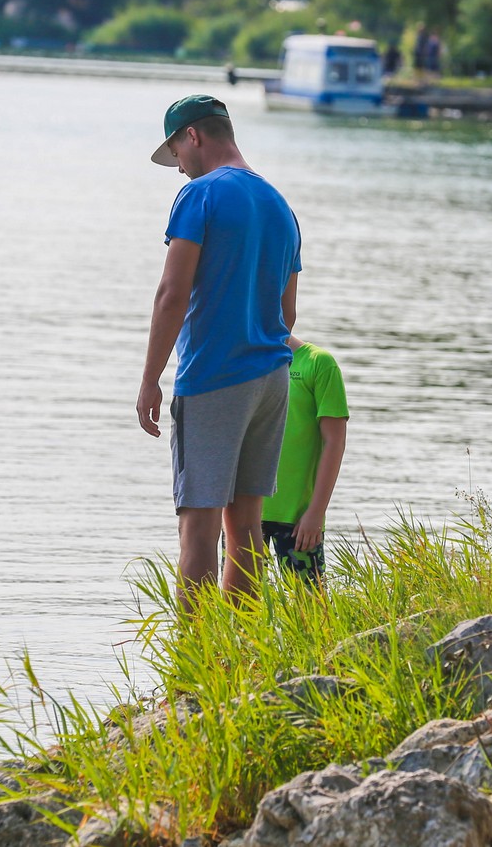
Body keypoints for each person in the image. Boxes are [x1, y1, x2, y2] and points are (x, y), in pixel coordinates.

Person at [138, 95, 301, 609]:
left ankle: (193, 665)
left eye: (177, 154)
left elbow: (172, 293)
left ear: (193, 137)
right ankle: (237, 654)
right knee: (246, 522)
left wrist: (150, 378)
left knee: (199, 526)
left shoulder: (200, 197)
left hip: (213, 377)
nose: (179, 169)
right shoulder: (279, 205)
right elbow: (287, 313)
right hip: (271, 378)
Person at [261, 335, 349, 584]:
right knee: (242, 610)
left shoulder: (318, 363)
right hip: (244, 513)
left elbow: (334, 443)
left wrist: (316, 513)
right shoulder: (243, 359)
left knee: (310, 609)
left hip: (299, 519)